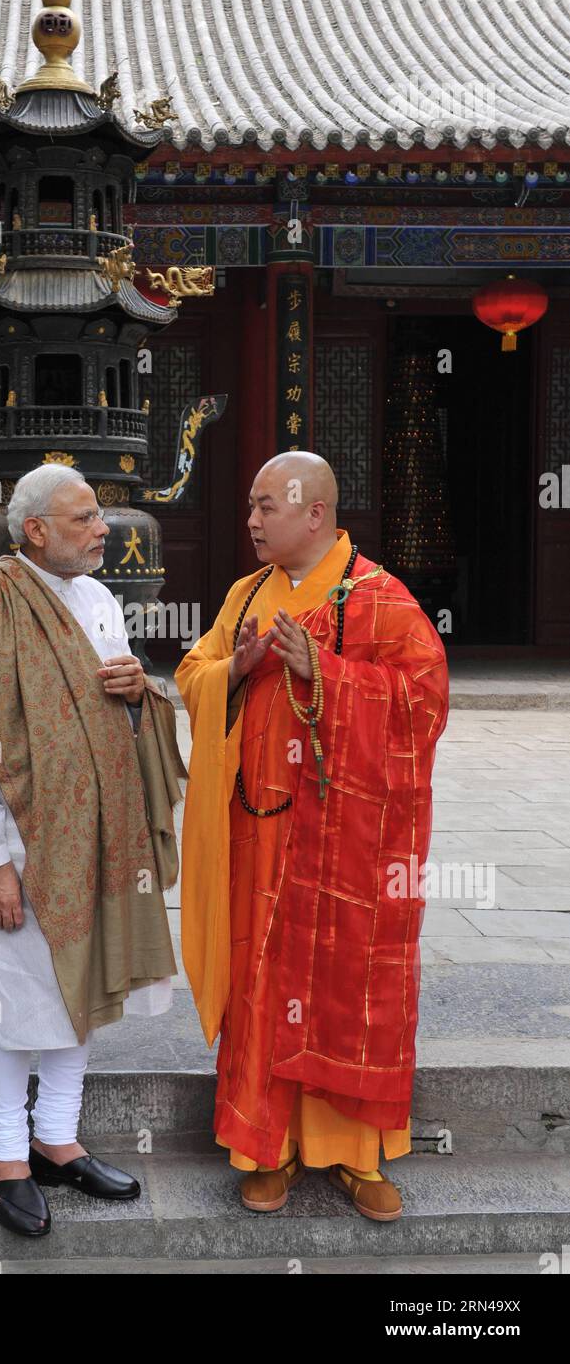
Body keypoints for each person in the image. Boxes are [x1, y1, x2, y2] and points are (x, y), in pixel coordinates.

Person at [175, 451, 449, 1221]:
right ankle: (266, 1148)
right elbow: (191, 675)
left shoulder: (378, 598)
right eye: (251, 507)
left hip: (349, 845)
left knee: (347, 988)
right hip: (258, 835)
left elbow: (421, 704)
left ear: (314, 513)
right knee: (263, 985)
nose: (253, 521)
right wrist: (237, 666)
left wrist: (325, 673)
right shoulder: (246, 594)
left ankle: (357, 1156)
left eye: (267, 506)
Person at [0, 463, 182, 1237]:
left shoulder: (101, 599)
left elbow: (118, 704)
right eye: (83, 517)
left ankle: (57, 1138)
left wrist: (142, 690)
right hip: (22, 840)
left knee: (88, 978)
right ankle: (7, 1158)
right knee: (18, 997)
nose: (102, 528)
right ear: (35, 528)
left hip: (101, 834)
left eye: (99, 515)